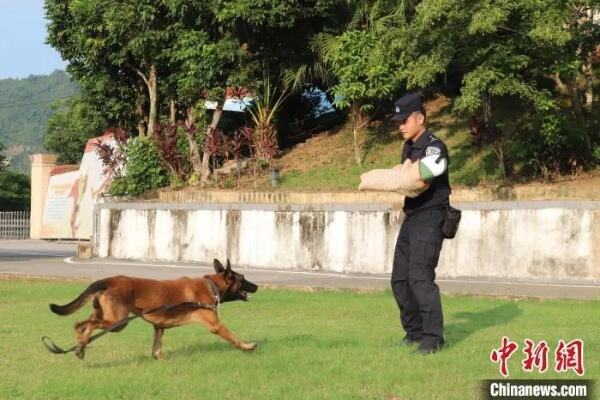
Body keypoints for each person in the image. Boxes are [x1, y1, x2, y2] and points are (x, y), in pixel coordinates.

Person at [390, 92, 451, 354]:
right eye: (398, 122)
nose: (401, 126)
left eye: (405, 120)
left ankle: (433, 339)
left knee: (420, 279)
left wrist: (399, 178)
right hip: (412, 216)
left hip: (431, 216)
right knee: (399, 279)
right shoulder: (409, 146)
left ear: (420, 118)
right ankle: (413, 332)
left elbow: (426, 175)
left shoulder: (434, 146)